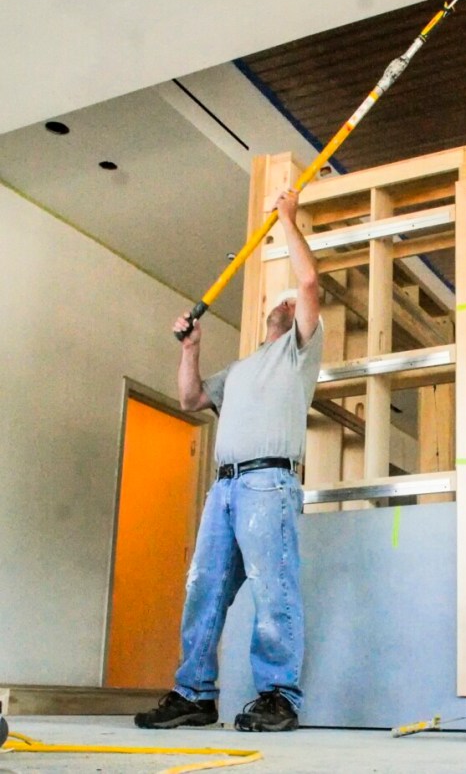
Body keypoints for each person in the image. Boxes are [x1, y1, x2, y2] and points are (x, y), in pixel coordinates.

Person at [136, 189, 323, 733]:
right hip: (224, 488)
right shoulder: (241, 371)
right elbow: (191, 400)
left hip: (269, 482)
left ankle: (279, 696)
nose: (286, 303)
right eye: (281, 302)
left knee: (273, 588)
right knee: (204, 588)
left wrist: (287, 218)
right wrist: (190, 350)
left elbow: (308, 282)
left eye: (291, 304)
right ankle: (194, 693)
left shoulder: (298, 353)